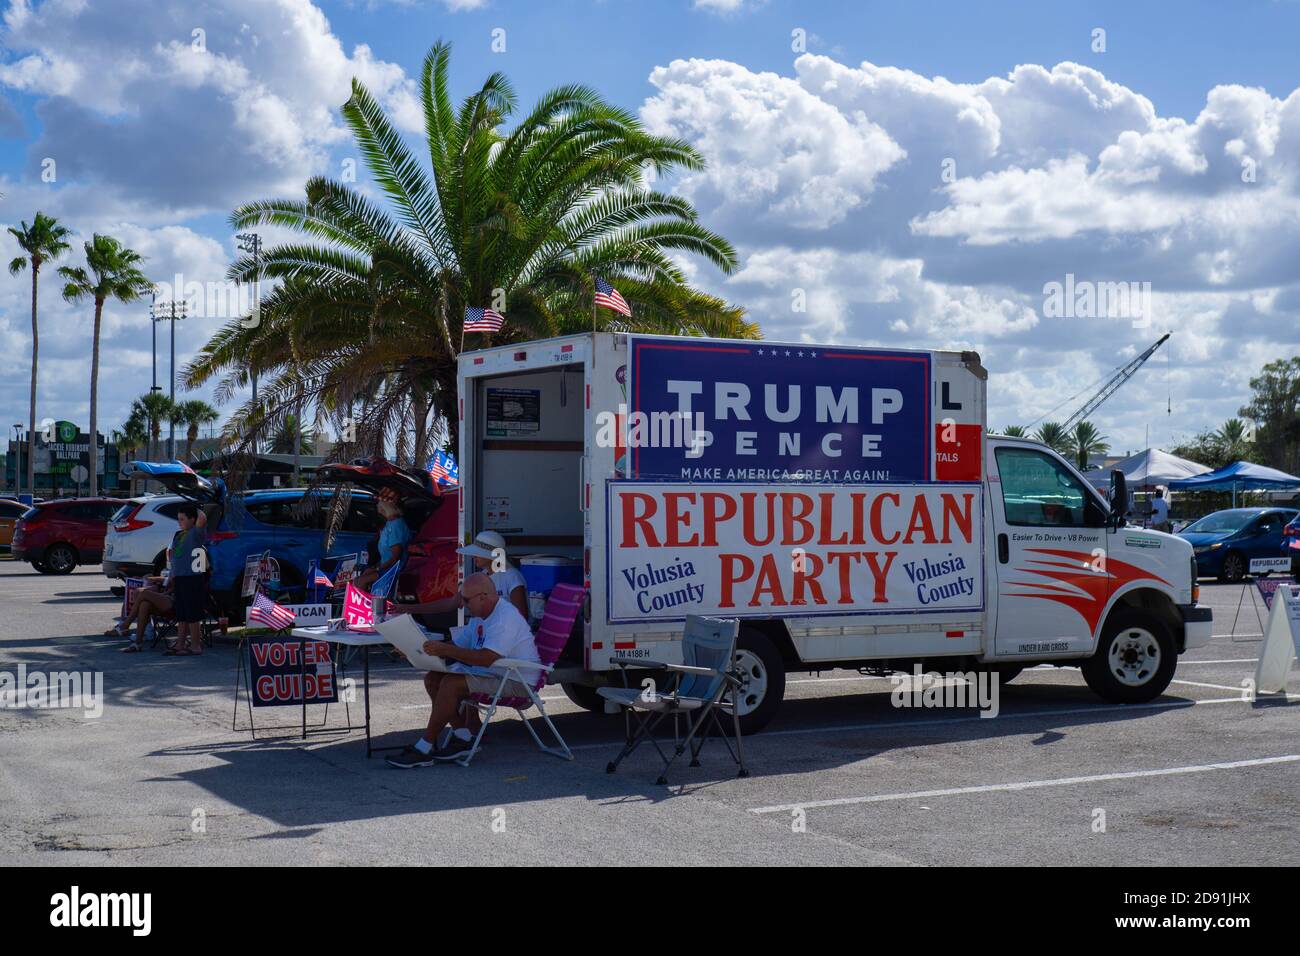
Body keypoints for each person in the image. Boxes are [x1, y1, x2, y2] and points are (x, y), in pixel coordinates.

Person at [386, 572, 540, 768]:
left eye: (466, 600)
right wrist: (416, 649)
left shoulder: (504, 618)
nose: (463, 605)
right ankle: (463, 737)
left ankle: (424, 747)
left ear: (483, 596)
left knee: (451, 684)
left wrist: (444, 649)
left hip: (517, 681)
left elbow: (486, 658)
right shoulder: (481, 615)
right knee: (433, 679)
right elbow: (456, 644)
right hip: (495, 673)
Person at [399, 529, 528, 620]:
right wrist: (407, 608)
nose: (473, 556)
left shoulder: (512, 577)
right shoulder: (482, 577)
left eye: (478, 553)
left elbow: (521, 617)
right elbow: (451, 603)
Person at [165, 503, 208, 656]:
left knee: (192, 614)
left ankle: (196, 645)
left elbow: (202, 517)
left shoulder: (196, 533)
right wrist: (172, 574)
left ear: (192, 519)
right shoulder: (179, 534)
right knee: (181, 614)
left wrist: (192, 507)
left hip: (192, 579)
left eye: (183, 519)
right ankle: (180, 644)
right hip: (180, 578)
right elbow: (175, 557)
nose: (180, 522)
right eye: (178, 519)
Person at [353, 493, 411, 594]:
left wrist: (378, 568)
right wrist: (374, 567)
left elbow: (395, 557)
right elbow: (386, 556)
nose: (378, 505)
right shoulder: (389, 523)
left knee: (361, 581)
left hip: (393, 570)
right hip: (386, 568)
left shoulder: (396, 525)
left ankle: (364, 607)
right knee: (359, 578)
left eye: (380, 502)